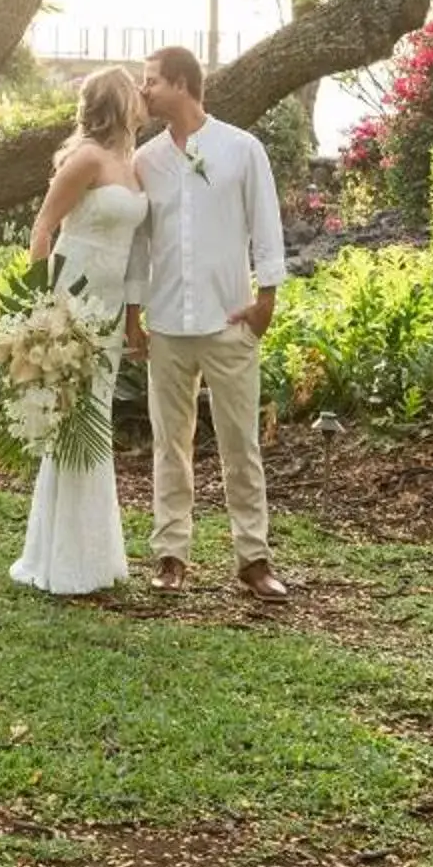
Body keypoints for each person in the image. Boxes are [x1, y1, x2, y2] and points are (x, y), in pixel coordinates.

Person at [124, 45, 288, 604]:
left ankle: (254, 559)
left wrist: (266, 299)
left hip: (228, 322)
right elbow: (139, 246)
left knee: (241, 445)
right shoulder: (144, 161)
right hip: (167, 325)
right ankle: (171, 556)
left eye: (150, 81)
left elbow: (267, 224)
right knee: (171, 445)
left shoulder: (242, 149)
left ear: (182, 84)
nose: (143, 91)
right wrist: (132, 314)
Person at [9, 65, 149, 598]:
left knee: (95, 422)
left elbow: (136, 248)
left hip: (110, 308)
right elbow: (43, 229)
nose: (142, 96)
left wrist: (133, 316)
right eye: (134, 89)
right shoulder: (86, 158)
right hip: (74, 299)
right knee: (74, 425)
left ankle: (93, 556)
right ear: (117, 101)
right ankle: (62, 560)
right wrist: (47, 308)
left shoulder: (131, 164)